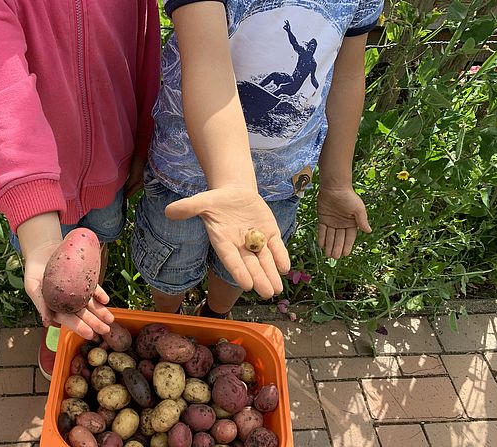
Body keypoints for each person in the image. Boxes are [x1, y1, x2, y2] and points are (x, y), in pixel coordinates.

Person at [0, 0, 160, 379]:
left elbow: (145, 45)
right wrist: (40, 238)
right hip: (43, 186)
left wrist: (143, 138)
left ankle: (84, 301)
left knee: (96, 243)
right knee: (53, 268)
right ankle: (56, 328)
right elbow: (5, 93)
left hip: (111, 158)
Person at [132, 0, 380, 317]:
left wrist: (337, 183)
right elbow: (207, 65)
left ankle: (215, 316)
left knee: (240, 270)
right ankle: (168, 323)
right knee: (171, 269)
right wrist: (237, 186)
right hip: (183, 172)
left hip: (281, 179)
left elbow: (347, 77)